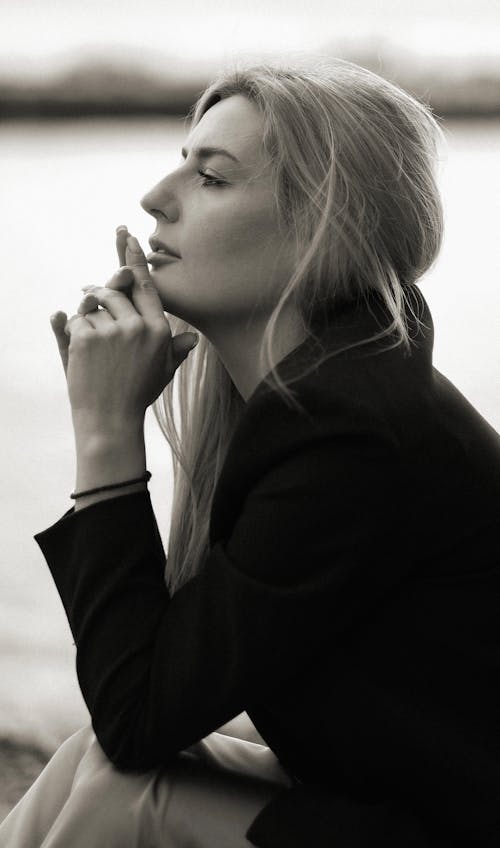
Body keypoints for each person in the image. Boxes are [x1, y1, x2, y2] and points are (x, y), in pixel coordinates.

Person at [1, 56, 499, 848]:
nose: (156, 198)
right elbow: (139, 714)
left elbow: (139, 713)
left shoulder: (354, 434)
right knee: (87, 766)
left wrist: (105, 432)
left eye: (213, 178)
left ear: (323, 226)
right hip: (403, 805)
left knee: (123, 798)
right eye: (180, 164)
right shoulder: (329, 396)